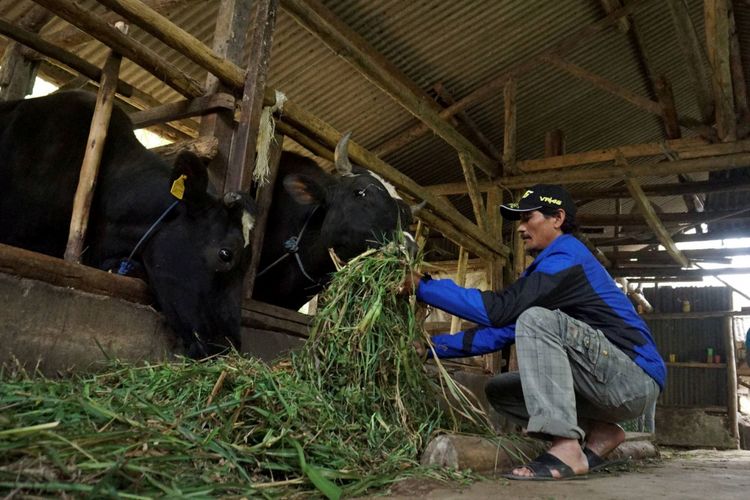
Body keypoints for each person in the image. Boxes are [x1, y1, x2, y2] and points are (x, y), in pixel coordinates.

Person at [403, 184, 665, 480]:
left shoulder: (568, 256)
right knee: (500, 391)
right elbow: (501, 331)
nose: (521, 228)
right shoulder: (548, 274)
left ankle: (566, 447)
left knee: (535, 319)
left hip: (631, 377)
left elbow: (499, 310)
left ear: (557, 218)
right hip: (603, 383)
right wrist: (432, 347)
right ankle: (600, 432)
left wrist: (423, 286)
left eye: (529, 218)